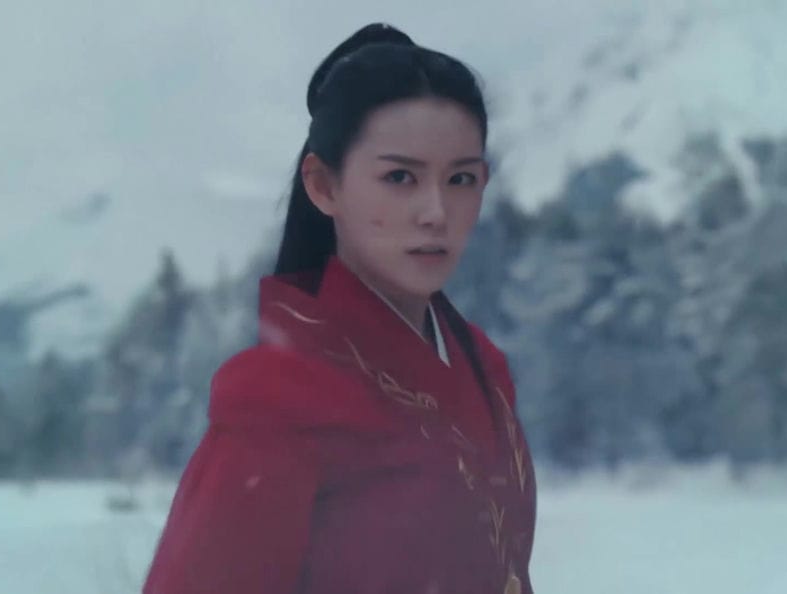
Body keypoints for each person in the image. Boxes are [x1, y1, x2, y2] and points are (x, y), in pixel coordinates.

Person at [142, 23, 537, 594]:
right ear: (324, 186)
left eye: (460, 179)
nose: (436, 211)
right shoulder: (278, 405)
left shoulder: (483, 368)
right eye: (400, 177)